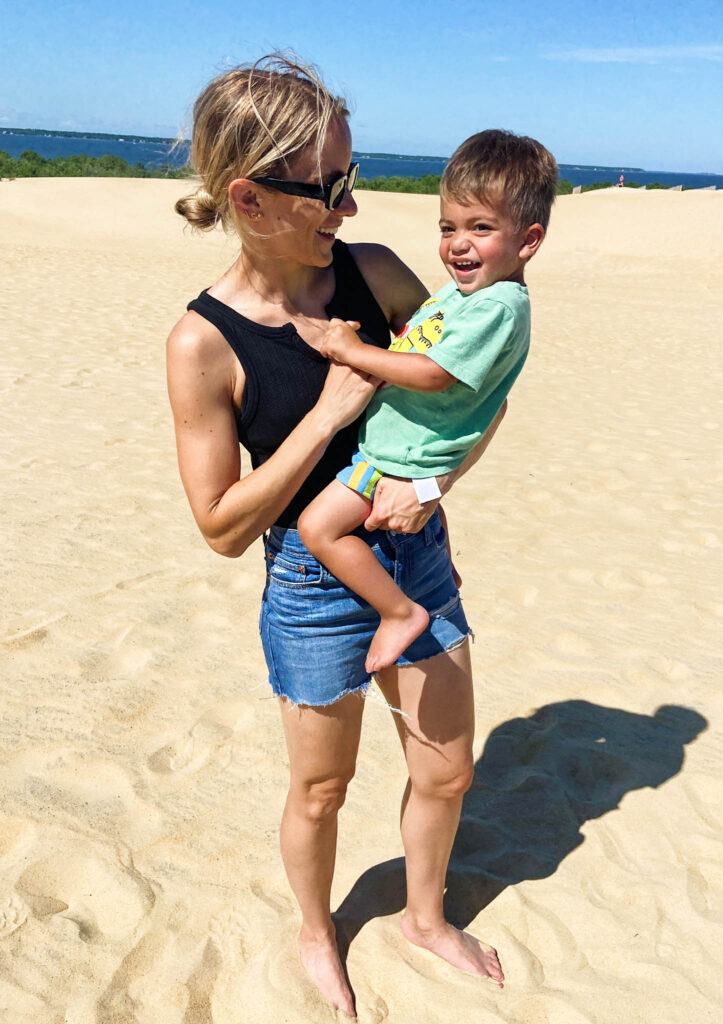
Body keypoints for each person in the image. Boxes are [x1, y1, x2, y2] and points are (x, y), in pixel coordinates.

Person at [166, 54, 508, 1018]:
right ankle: (320, 934)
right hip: (313, 584)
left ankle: (424, 917)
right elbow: (222, 527)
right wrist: (327, 413)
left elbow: (481, 395)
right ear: (250, 195)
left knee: (449, 768)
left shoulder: (379, 276)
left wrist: (437, 481)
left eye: (351, 182)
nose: (350, 209)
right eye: (330, 188)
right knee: (322, 789)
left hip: (414, 558)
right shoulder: (203, 343)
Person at [298, 130, 557, 676]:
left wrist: (356, 351)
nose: (458, 244)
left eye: (480, 228)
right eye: (448, 228)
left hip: (402, 461)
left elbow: (434, 374)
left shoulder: (499, 307)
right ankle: (432, 574)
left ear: (528, 241)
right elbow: (417, 342)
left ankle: (399, 612)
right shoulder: (462, 296)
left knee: (316, 529)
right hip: (402, 452)